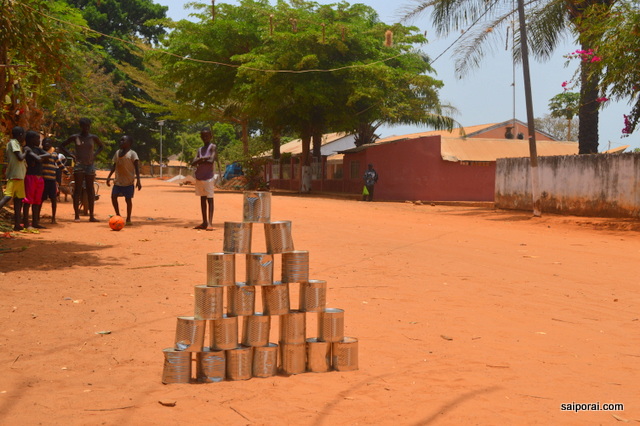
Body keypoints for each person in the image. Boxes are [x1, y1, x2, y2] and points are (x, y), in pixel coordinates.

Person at [61, 117, 104, 222]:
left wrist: (94, 155)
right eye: (84, 126)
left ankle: (91, 216)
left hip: (90, 165)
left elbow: (101, 146)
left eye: (88, 126)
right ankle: (76, 215)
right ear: (81, 126)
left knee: (90, 189)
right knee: (77, 189)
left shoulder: (93, 137)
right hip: (79, 165)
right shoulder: (75, 137)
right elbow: (62, 146)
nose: (86, 128)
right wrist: (71, 154)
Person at [106, 135, 141, 225]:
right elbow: (114, 166)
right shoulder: (117, 153)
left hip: (128, 182)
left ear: (129, 143)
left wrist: (138, 181)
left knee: (128, 200)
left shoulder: (132, 154)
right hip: (118, 181)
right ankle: (118, 215)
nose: (120, 142)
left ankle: (128, 218)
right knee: (113, 197)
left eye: (123, 140)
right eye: (120, 140)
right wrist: (109, 177)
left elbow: (137, 168)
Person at [0, 126, 28, 230]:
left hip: (20, 176)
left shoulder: (17, 144)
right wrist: (26, 151)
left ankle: (17, 224)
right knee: (7, 196)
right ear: (20, 135)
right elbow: (20, 157)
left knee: (18, 200)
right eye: (23, 134)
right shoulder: (13, 143)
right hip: (15, 175)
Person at [22, 130, 51, 229]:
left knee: (37, 200)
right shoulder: (27, 148)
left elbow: (48, 155)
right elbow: (40, 159)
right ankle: (26, 223)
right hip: (30, 176)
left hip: (39, 177)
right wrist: (40, 158)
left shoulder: (37, 149)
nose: (39, 141)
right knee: (27, 200)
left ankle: (35, 222)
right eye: (37, 139)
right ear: (31, 139)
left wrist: (38, 157)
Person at [191, 128, 217, 230]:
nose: (205, 137)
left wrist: (200, 160)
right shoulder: (200, 149)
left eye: (207, 136)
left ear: (210, 136)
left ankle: (210, 223)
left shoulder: (212, 147)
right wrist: (203, 158)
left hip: (208, 177)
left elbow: (211, 160)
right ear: (201, 137)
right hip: (199, 177)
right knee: (202, 199)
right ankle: (204, 222)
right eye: (203, 136)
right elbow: (193, 163)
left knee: (210, 199)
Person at [41, 138, 67, 224]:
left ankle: (53, 218)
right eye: (45, 142)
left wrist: (66, 172)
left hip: (52, 180)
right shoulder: (40, 153)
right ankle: (37, 217)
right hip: (42, 180)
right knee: (41, 199)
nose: (47, 144)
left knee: (53, 199)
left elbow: (59, 164)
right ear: (42, 144)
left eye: (49, 143)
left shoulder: (54, 154)